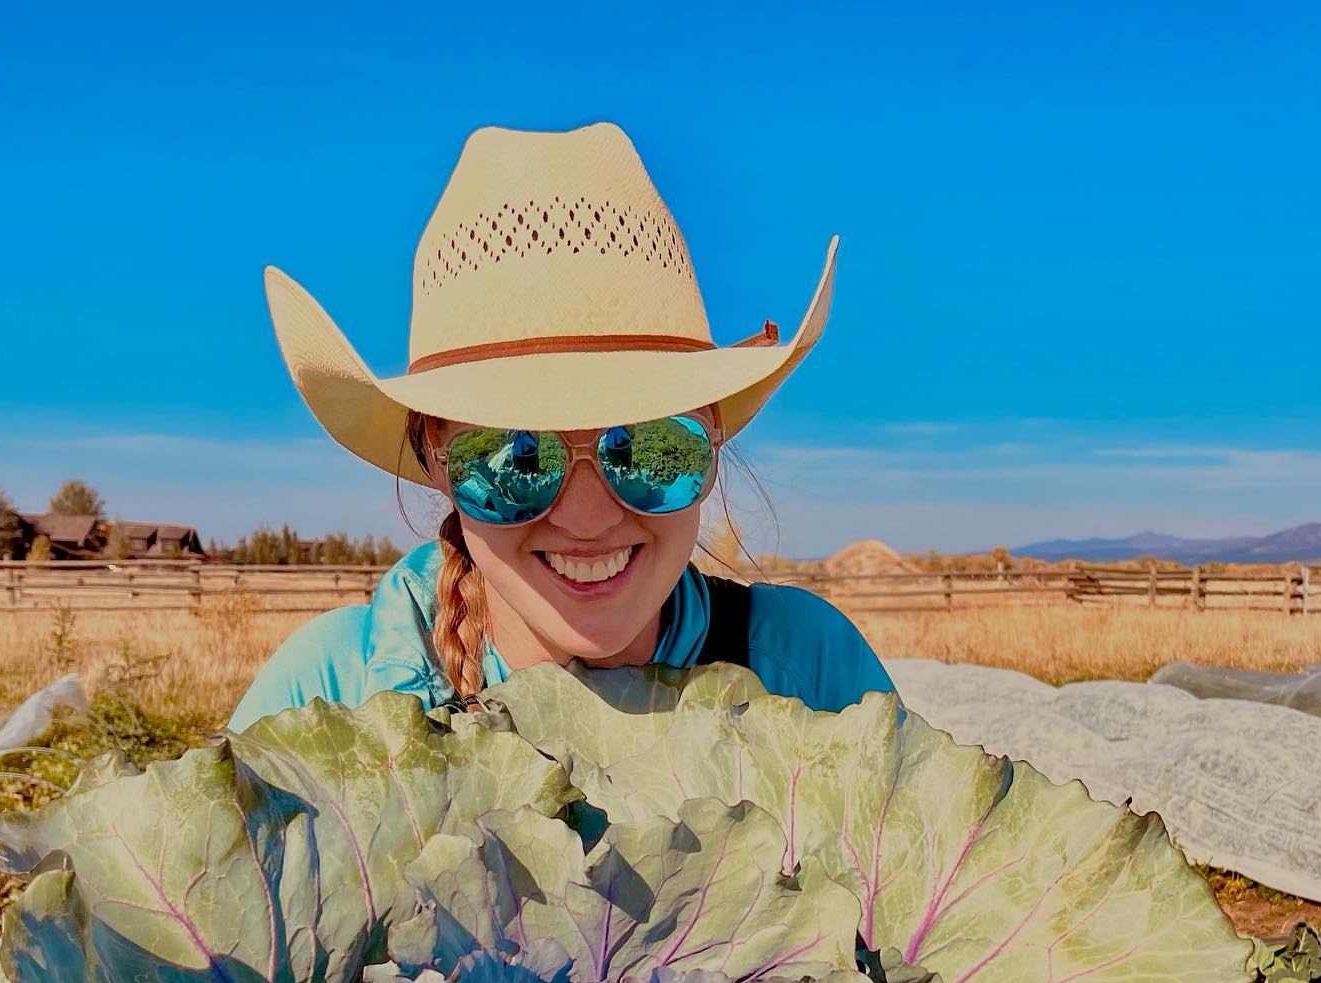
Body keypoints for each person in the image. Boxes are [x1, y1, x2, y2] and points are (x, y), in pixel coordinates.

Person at [229, 121, 896, 733]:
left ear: (714, 446)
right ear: (434, 459)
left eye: (649, 451)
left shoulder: (809, 674)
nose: (587, 518)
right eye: (516, 459)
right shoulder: (327, 700)